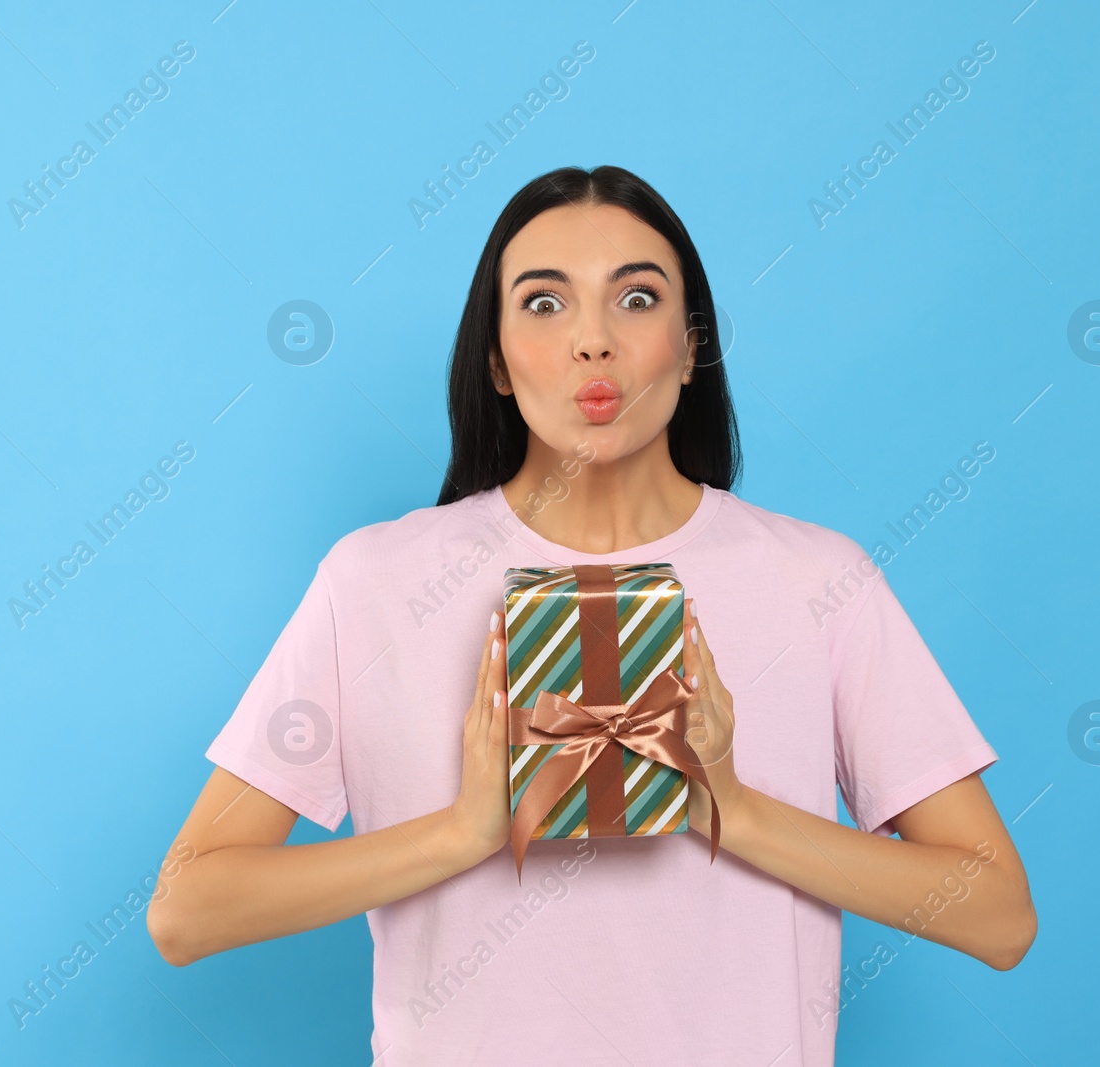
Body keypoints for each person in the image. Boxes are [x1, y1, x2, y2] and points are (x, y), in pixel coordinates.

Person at [146, 164, 1036, 1065]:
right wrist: (462, 833)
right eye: (543, 304)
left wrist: (732, 808)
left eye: (637, 298)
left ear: (691, 348)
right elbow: (188, 908)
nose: (593, 342)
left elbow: (998, 914)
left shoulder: (820, 582)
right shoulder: (374, 582)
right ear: (494, 356)